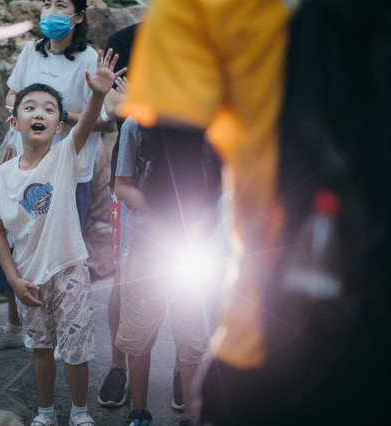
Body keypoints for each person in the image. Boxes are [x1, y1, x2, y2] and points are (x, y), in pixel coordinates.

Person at [119, 0, 291, 424]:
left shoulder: (191, 9)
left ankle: (187, 402)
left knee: (193, 338)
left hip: (264, 310)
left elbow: (172, 173)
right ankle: (144, 406)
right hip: (353, 291)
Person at [0, 49, 123, 426]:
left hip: (69, 271)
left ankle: (79, 411)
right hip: (28, 278)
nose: (39, 113)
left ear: (59, 125)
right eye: (30, 107)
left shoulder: (65, 156)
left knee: (77, 351)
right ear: (14, 122)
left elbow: (88, 124)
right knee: (41, 348)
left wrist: (97, 95)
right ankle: (45, 413)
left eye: (49, 110)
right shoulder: (3, 175)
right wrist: (13, 278)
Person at [0, 0, 112, 356]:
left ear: (78, 17)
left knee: (62, 249)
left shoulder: (89, 59)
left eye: (61, 4)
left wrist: (57, 114)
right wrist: (22, 116)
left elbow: (105, 121)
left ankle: (64, 327)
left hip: (68, 169)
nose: (51, 10)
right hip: (25, 162)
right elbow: (13, 94)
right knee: (20, 242)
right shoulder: (32, 51)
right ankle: (17, 324)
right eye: (47, 3)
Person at [112, 116, 210, 426]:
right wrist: (161, 208)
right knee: (139, 336)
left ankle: (191, 415)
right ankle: (139, 410)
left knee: (191, 339)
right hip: (144, 251)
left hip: (191, 249)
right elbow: (122, 185)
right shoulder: (135, 126)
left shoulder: (207, 120)